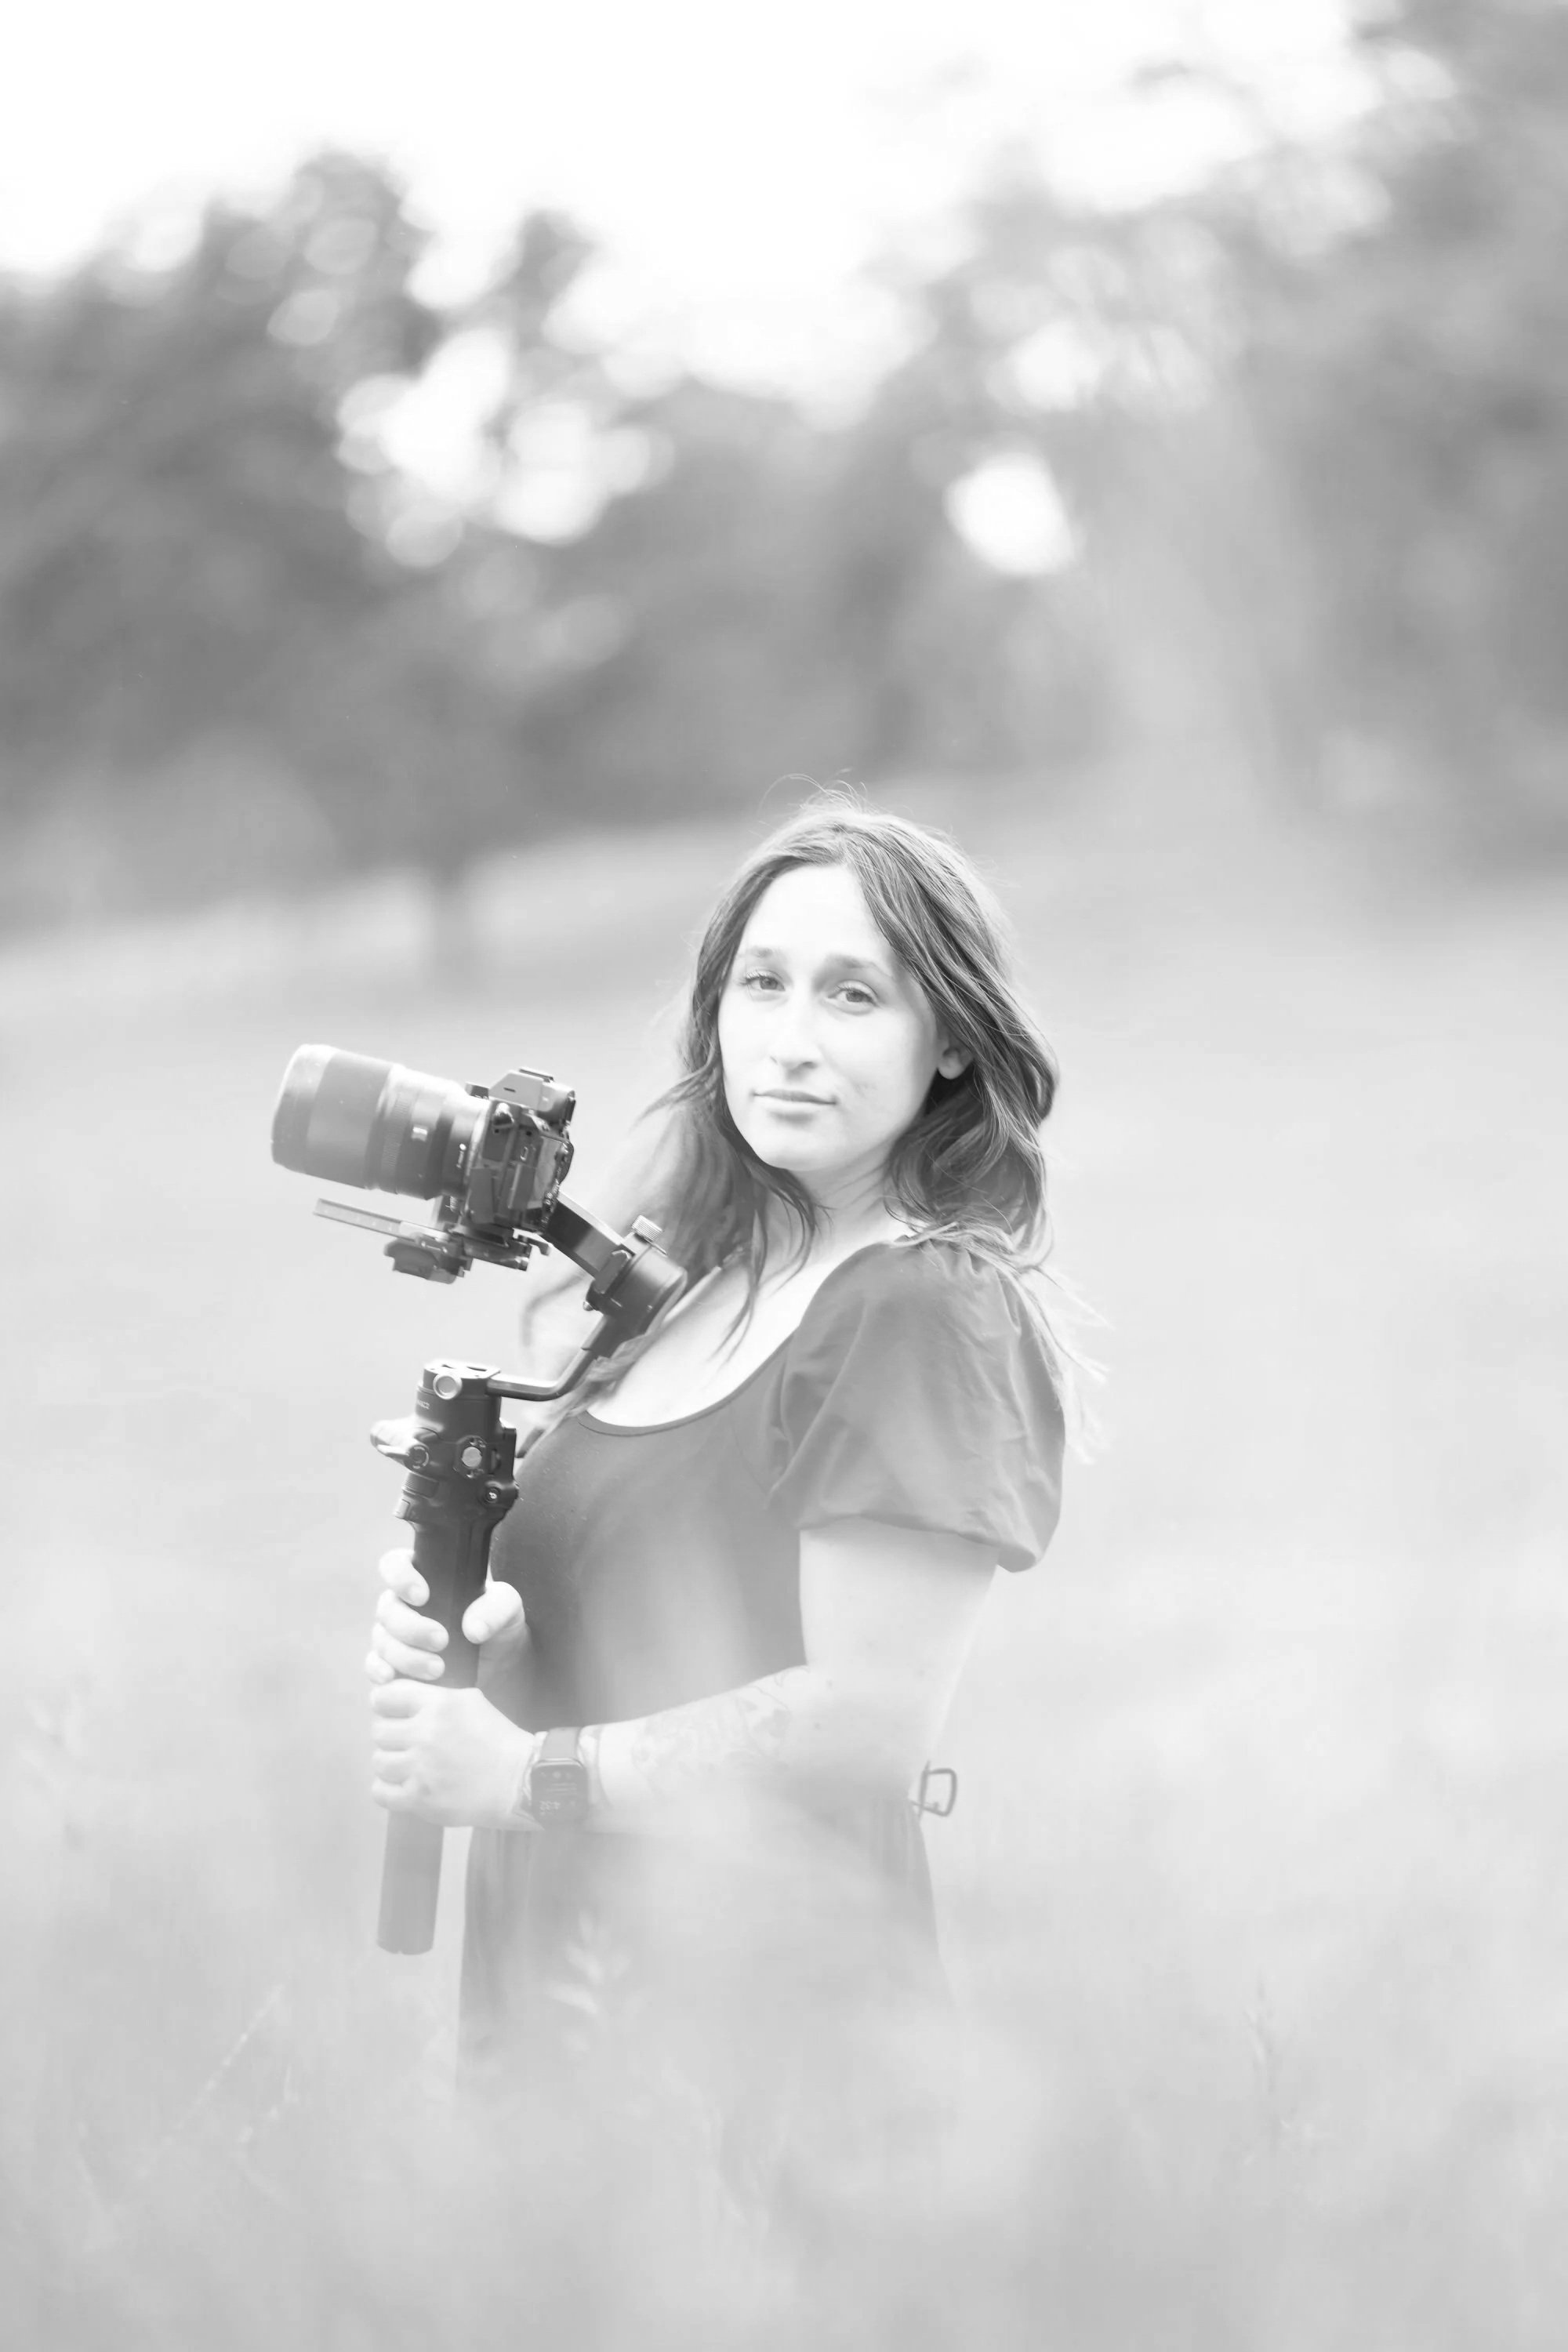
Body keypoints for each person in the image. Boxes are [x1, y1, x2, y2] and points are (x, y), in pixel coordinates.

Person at [364, 793, 1069, 2228]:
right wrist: (488, 1644)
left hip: (766, 2027)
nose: (791, 1038)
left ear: (948, 1042)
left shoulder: (919, 1305)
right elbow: (651, 1625)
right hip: (557, 1995)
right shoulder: (687, 1290)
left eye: (854, 995)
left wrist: (526, 1776)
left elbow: (865, 1721)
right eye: (762, 983)